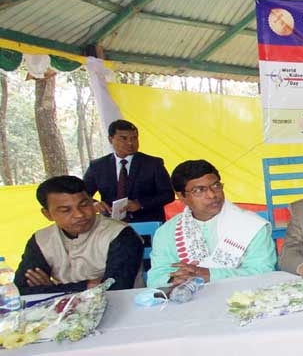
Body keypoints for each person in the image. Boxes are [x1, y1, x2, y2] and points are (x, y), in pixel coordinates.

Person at [147, 160, 276, 287]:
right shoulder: (167, 232)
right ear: (181, 196)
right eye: (199, 190)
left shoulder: (251, 225)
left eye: (216, 186)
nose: (212, 195)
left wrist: (210, 275)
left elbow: (263, 273)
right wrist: (175, 281)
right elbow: (156, 278)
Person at [14, 176, 143, 295]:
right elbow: (21, 289)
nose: (79, 214)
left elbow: (116, 288)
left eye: (84, 205)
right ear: (47, 214)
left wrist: (52, 290)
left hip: (122, 307)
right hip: (63, 312)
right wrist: (87, 285)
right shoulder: (41, 240)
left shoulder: (119, 234)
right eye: (66, 210)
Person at [83, 119, 174, 223]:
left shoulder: (153, 164)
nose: (130, 143)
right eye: (123, 138)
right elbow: (83, 193)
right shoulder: (97, 166)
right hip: (110, 226)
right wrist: (94, 204)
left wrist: (140, 204)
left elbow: (168, 194)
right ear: (110, 139)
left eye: (134, 138)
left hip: (147, 223)